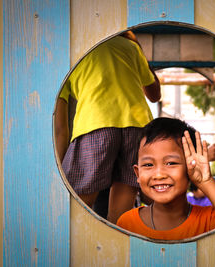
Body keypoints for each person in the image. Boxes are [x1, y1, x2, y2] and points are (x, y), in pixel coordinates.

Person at [54, 30, 161, 224]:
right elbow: (154, 94)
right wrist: (137, 46)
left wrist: (57, 171)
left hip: (96, 124)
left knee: (79, 207)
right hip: (138, 128)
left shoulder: (68, 54)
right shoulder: (130, 46)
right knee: (119, 217)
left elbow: (60, 129)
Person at [116, 117, 215, 240]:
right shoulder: (127, 223)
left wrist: (206, 182)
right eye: (148, 165)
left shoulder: (210, 220)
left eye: (171, 163)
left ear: (191, 167)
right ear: (137, 173)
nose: (159, 175)